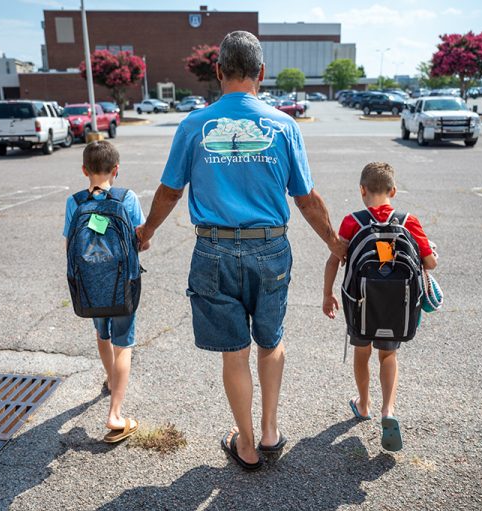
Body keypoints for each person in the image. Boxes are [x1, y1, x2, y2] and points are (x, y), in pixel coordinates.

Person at [136, 30, 347, 471]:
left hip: (213, 251)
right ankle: (271, 432)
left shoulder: (195, 125)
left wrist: (147, 230)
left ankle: (246, 445)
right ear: (262, 74)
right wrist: (333, 241)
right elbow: (305, 198)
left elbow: (170, 191)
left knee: (236, 352)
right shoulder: (283, 126)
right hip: (270, 249)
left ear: (218, 72)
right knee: (270, 342)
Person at [322, 162, 438, 451]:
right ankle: (388, 410)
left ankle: (363, 405)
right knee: (388, 356)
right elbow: (429, 262)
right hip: (397, 306)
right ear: (393, 191)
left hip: (360, 303)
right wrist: (431, 252)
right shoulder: (408, 221)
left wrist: (327, 294)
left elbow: (334, 259)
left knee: (362, 354)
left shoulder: (353, 221)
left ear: (362, 190)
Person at [63, 140, 146, 443]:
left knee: (103, 335)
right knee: (124, 344)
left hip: (91, 288)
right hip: (123, 284)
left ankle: (112, 380)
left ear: (84, 170)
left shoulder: (74, 202)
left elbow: (68, 246)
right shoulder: (127, 198)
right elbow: (141, 240)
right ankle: (115, 414)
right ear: (116, 170)